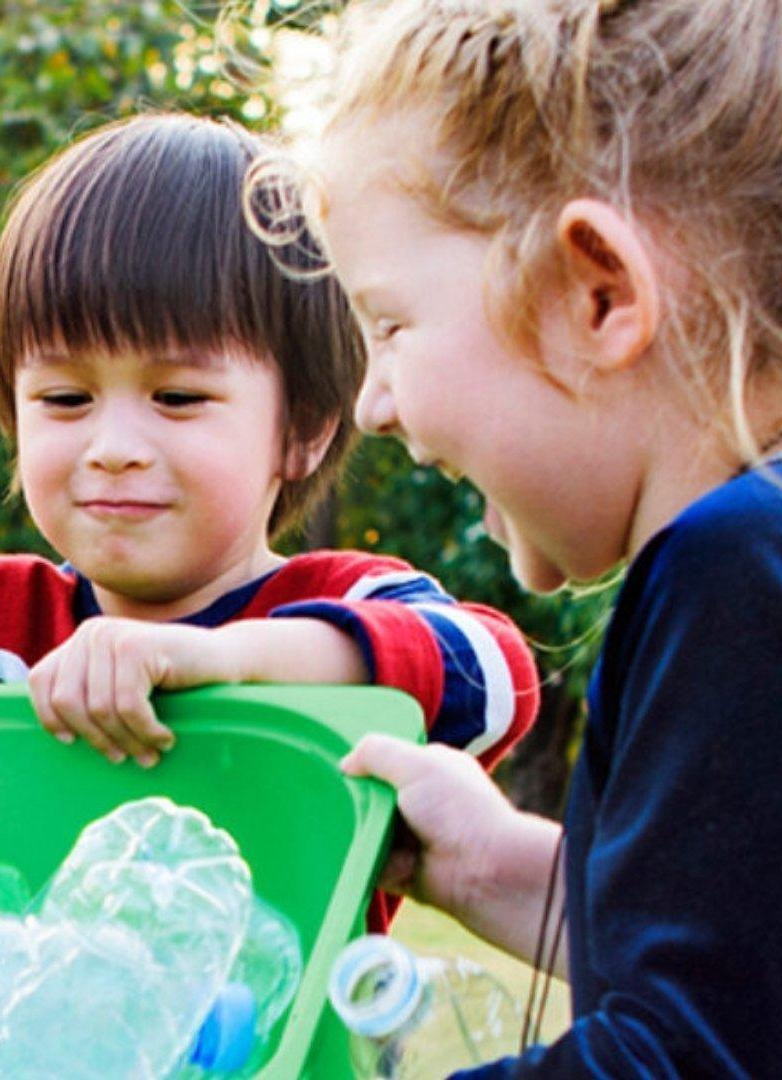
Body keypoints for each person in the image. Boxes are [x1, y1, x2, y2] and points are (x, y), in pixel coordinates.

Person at [0, 114, 539, 783]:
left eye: (177, 398)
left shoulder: (336, 606)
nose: (114, 447)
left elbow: (496, 676)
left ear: (305, 428)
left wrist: (222, 661)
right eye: (65, 399)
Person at [291, 0, 782, 1073]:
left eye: (392, 326)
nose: (373, 402)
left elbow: (680, 1057)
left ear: (597, 295)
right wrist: (496, 867)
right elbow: (736, 970)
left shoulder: (735, 568)